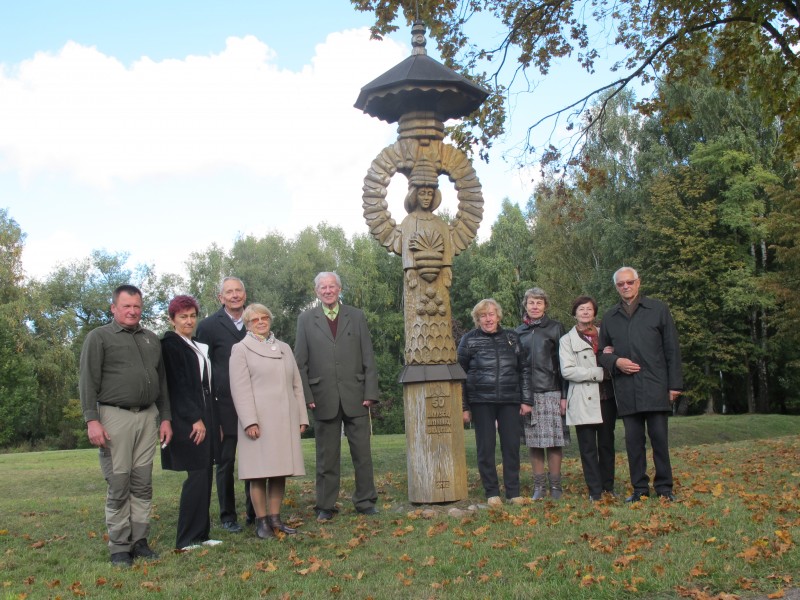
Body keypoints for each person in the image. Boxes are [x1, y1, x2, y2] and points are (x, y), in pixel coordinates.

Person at [79, 284, 172, 567]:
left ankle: (139, 540)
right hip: (113, 416)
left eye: (137, 307)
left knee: (142, 482)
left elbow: (163, 382)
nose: (132, 311)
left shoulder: (151, 338)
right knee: (119, 481)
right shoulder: (99, 337)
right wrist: (91, 419)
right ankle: (119, 545)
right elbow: (87, 381)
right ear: (114, 308)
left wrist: (165, 417)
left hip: (147, 416)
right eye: (126, 306)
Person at [294, 272, 380, 521]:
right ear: (316, 291)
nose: (328, 291)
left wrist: (370, 392)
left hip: (357, 395)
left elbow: (368, 357)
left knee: (362, 455)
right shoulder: (306, 319)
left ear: (339, 289)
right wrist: (307, 396)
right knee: (326, 457)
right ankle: (325, 506)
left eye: (332, 286)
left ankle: (365, 501)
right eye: (323, 287)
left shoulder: (356, 316)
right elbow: (300, 363)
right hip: (322, 397)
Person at [598, 267, 683, 502]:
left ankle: (665, 488)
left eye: (630, 282)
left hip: (656, 385)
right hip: (626, 389)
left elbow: (672, 349)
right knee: (634, 442)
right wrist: (616, 362)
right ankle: (640, 489)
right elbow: (601, 353)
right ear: (616, 287)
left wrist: (674, 385)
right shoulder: (610, 317)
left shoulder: (658, 310)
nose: (626, 287)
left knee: (659, 439)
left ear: (638, 283)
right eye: (621, 284)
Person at [230, 304, 308, 538]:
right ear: (247, 323)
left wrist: (301, 416)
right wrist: (249, 421)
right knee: (258, 472)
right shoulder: (240, 349)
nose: (261, 322)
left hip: (285, 418)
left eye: (265, 318)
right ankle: (261, 522)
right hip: (258, 421)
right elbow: (239, 389)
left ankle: (276, 518)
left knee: (279, 471)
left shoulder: (284, 348)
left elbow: (296, 384)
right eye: (255, 320)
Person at [160, 295, 222, 549]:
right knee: (196, 475)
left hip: (206, 414)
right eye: (183, 316)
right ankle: (186, 539)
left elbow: (207, 384)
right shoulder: (170, 344)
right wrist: (195, 418)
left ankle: (202, 534)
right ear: (172, 319)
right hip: (189, 418)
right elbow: (179, 386)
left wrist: (212, 419)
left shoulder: (196, 344)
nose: (189, 320)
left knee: (205, 473)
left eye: (192, 315)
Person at [457, 298, 532, 506]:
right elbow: (459, 375)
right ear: (477, 319)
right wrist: (464, 407)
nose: (488, 319)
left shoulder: (512, 337)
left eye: (491, 314)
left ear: (498, 316)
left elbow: (524, 369)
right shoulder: (468, 340)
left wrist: (526, 399)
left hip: (510, 400)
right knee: (486, 448)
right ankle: (491, 493)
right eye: (483, 315)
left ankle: (513, 492)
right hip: (481, 402)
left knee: (511, 447)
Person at [195, 276, 253, 533]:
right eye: (228, 292)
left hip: (254, 403)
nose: (234, 295)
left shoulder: (256, 321)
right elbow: (202, 369)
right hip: (224, 405)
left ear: (245, 294)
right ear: (221, 298)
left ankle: (256, 511)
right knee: (226, 462)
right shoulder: (208, 326)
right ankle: (228, 515)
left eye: (238, 291)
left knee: (255, 460)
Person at [559, 296, 617, 501]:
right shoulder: (567, 340)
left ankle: (608, 486)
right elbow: (567, 371)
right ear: (574, 313)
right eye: (581, 309)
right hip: (582, 398)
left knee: (607, 444)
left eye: (589, 309)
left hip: (606, 397)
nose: (585, 312)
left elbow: (615, 358)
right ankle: (595, 490)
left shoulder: (605, 335)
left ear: (594, 313)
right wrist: (598, 373)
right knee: (588, 447)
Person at [516, 287, 570, 500]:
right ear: (526, 306)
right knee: (534, 442)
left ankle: (556, 486)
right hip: (529, 395)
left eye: (539, 302)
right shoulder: (518, 332)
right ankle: (539, 486)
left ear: (545, 305)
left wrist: (564, 395)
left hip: (553, 391)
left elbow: (564, 364)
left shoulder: (556, 328)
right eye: (531, 303)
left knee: (555, 441)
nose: (535, 306)